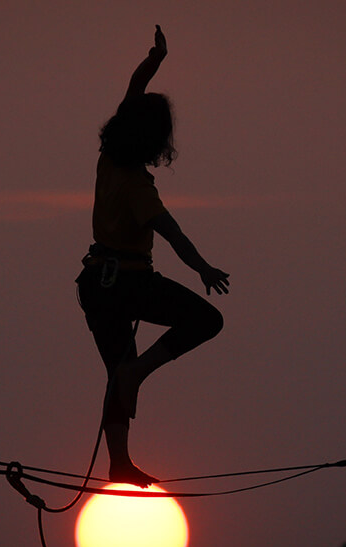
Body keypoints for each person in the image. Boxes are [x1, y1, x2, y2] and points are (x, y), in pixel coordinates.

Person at [76, 25, 230, 488]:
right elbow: (172, 234)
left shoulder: (107, 158)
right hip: (127, 284)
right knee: (207, 321)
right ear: (153, 141)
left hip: (94, 284)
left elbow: (133, 90)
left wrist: (155, 60)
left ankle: (119, 461)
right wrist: (203, 267)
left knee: (115, 371)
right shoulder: (138, 187)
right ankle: (138, 373)